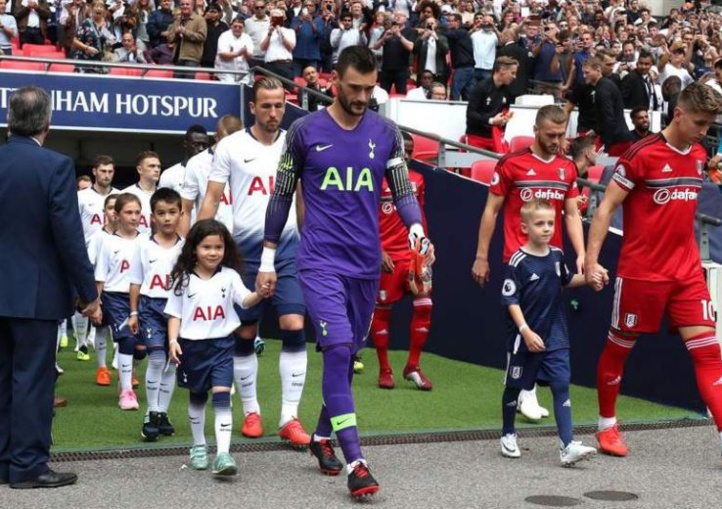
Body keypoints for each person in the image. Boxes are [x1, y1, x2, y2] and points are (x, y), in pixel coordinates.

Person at [258, 45, 433, 498]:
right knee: (338, 347)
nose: (361, 96)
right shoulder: (303, 131)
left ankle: (320, 436)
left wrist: (416, 229)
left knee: (343, 354)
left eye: (369, 88)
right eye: (354, 87)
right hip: (318, 261)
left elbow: (402, 190)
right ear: (335, 81)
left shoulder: (387, 132)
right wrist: (267, 255)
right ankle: (357, 460)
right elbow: (280, 196)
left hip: (365, 264)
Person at [585, 82, 722, 459]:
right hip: (642, 273)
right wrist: (592, 260)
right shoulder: (641, 154)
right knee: (618, 349)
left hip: (687, 273)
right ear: (678, 114)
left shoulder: (697, 155)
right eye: (700, 122)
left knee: (710, 353)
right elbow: (605, 207)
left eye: (710, 124)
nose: (704, 132)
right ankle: (606, 425)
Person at [200, 77, 310, 448]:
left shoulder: (295, 144)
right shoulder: (230, 146)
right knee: (245, 333)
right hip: (245, 251)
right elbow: (212, 199)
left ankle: (289, 416)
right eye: (266, 105)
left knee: (294, 323)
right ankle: (251, 410)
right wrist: (195, 249)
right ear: (253, 107)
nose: (274, 113)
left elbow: (302, 197)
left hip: (289, 248)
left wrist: (311, 240)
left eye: (279, 105)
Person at [0, 86, 98, 489]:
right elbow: (69, 237)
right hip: (35, 293)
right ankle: (27, 466)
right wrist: (88, 291)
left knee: (4, 377)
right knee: (33, 380)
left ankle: (6, 460)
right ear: (46, 123)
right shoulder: (56, 167)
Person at [471, 105, 584, 422]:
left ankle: (525, 386)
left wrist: (583, 254)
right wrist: (481, 256)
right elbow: (491, 211)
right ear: (536, 130)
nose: (556, 140)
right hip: (517, 258)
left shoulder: (567, 167)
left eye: (561, 135)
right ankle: (525, 391)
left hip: (553, 261)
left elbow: (572, 214)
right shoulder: (512, 164)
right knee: (523, 325)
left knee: (545, 326)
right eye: (551, 134)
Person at [499, 199, 598, 466]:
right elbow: (510, 300)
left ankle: (567, 446)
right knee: (514, 387)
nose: (546, 229)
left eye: (550, 223)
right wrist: (526, 331)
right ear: (524, 227)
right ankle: (508, 433)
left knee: (561, 384)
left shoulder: (556, 255)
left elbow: (567, 280)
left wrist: (588, 278)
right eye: (539, 223)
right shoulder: (518, 261)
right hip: (525, 337)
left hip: (556, 335)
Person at [166, 219, 266, 476]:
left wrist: (259, 293)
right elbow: (174, 314)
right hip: (191, 347)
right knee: (197, 396)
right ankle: (199, 445)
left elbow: (245, 301)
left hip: (222, 346)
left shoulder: (230, 276)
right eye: (206, 247)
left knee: (222, 397)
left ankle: (223, 454)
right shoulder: (183, 279)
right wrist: (173, 341)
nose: (213, 252)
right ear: (194, 249)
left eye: (218, 247)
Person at [371, 131, 433, 391]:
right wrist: (377, 251)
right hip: (387, 258)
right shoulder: (374, 180)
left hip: (413, 254)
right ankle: (385, 369)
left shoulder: (417, 179)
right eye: (401, 149)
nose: (406, 155)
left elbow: (419, 216)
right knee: (383, 312)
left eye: (409, 150)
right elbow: (365, 219)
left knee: (425, 306)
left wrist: (427, 243)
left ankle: (413, 366)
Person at [129, 188, 184, 442]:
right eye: (161, 213)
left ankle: (163, 412)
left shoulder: (186, 247)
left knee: (172, 362)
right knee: (156, 359)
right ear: (153, 217)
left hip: (177, 310)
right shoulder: (143, 244)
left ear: (181, 214)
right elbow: (136, 280)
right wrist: (133, 312)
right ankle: (151, 412)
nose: (167, 218)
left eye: (172, 212)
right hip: (151, 307)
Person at [95, 193, 144, 411]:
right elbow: (100, 276)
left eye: (137, 212)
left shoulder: (147, 241)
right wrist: (96, 304)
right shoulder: (107, 242)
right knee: (127, 339)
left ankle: (128, 371)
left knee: (142, 348)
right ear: (117, 215)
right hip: (115, 297)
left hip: (142, 298)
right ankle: (126, 390)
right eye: (128, 212)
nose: (134, 217)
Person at [180, 115, 243, 236]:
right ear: (216, 137)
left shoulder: (251, 160)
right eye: (227, 141)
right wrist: (183, 246)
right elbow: (185, 209)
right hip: (212, 239)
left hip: (248, 240)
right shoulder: (197, 163)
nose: (232, 147)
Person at [86, 193, 118, 386]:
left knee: (125, 333)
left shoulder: (135, 235)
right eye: (110, 208)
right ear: (104, 211)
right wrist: (94, 297)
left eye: (117, 208)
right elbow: (90, 263)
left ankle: (126, 368)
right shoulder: (97, 236)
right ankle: (102, 368)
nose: (114, 212)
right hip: (103, 289)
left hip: (123, 290)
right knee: (101, 328)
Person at [465, 56, 518, 152]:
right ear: (502, 70)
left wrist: (504, 119)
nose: (514, 77)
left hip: (495, 137)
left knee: (505, 161)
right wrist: (492, 121)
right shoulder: (481, 87)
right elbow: (470, 114)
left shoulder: (507, 91)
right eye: (512, 73)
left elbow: (503, 113)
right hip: (477, 136)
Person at [583, 56, 633, 157]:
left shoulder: (602, 90)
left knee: (605, 168)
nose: (584, 76)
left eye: (587, 73)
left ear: (598, 70)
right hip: (619, 137)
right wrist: (596, 130)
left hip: (616, 141)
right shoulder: (607, 85)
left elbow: (608, 119)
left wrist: (607, 146)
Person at [159, 125, 209, 195]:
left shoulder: (213, 173)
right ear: (185, 144)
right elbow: (162, 203)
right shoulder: (170, 174)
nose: (201, 149)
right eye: (196, 144)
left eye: (204, 145)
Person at [122, 150, 161, 236]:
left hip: (159, 246)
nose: (156, 170)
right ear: (140, 169)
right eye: (152, 166)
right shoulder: (125, 194)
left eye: (158, 166)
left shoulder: (164, 196)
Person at [167, 0, 207, 78]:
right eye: (182, 4)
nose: (185, 6)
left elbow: (202, 37)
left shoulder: (200, 20)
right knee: (177, 85)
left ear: (192, 6)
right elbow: (169, 39)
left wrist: (185, 32)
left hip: (191, 58)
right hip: (178, 57)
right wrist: (176, 33)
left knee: (188, 85)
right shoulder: (177, 20)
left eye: (187, 4)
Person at [215, 16, 254, 84]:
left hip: (242, 72)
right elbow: (222, 54)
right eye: (235, 26)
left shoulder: (247, 38)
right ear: (231, 26)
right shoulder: (224, 36)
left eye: (240, 27)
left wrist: (245, 53)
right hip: (226, 71)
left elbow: (249, 56)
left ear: (243, 28)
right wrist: (238, 53)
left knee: (245, 89)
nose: (237, 28)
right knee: (231, 90)